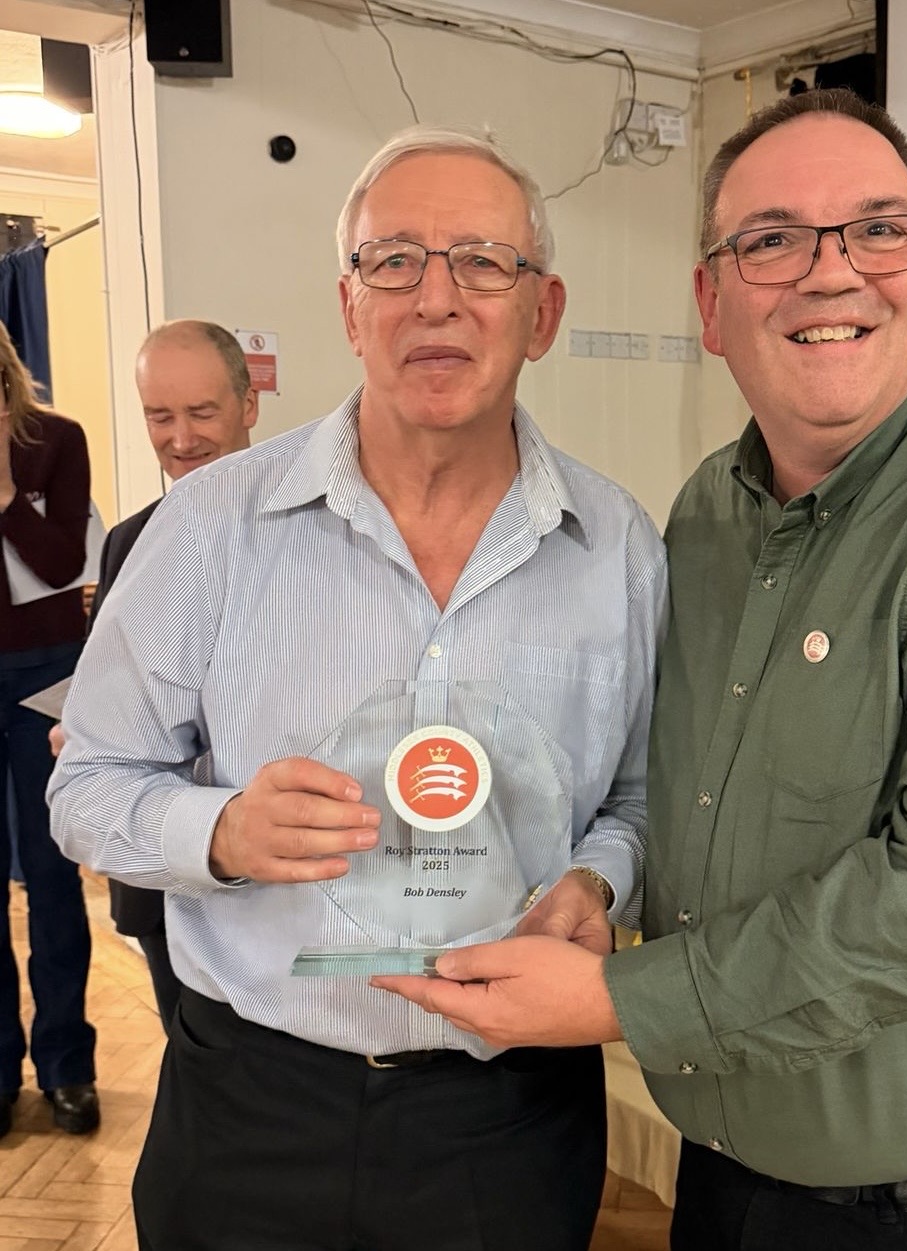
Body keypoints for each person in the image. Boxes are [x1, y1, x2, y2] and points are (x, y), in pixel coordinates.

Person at [376, 88, 907, 1251]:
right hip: (736, 1177)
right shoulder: (705, 516)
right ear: (709, 300)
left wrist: (613, 1001)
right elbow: (683, 793)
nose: (829, 271)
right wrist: (596, 886)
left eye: (876, 229)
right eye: (770, 240)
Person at [50, 127, 665, 1251]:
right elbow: (85, 785)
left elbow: (635, 797)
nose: (436, 298)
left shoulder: (618, 547)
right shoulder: (209, 530)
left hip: (510, 1124)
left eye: (483, 260)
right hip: (249, 1115)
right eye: (394, 261)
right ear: (348, 307)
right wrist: (221, 828)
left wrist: (597, 879)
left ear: (545, 309)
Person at [50, 320, 259, 1030]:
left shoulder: (311, 538)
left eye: (202, 412)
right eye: (158, 416)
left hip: (268, 880)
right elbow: (107, 693)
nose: (181, 437)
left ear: (249, 405)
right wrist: (82, 735)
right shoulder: (128, 540)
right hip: (157, 870)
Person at [0, 319, 98, 1139]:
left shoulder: (56, 438)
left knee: (53, 871)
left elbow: (67, 565)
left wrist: (4, 497)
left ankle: (68, 1064)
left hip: (48, 668)